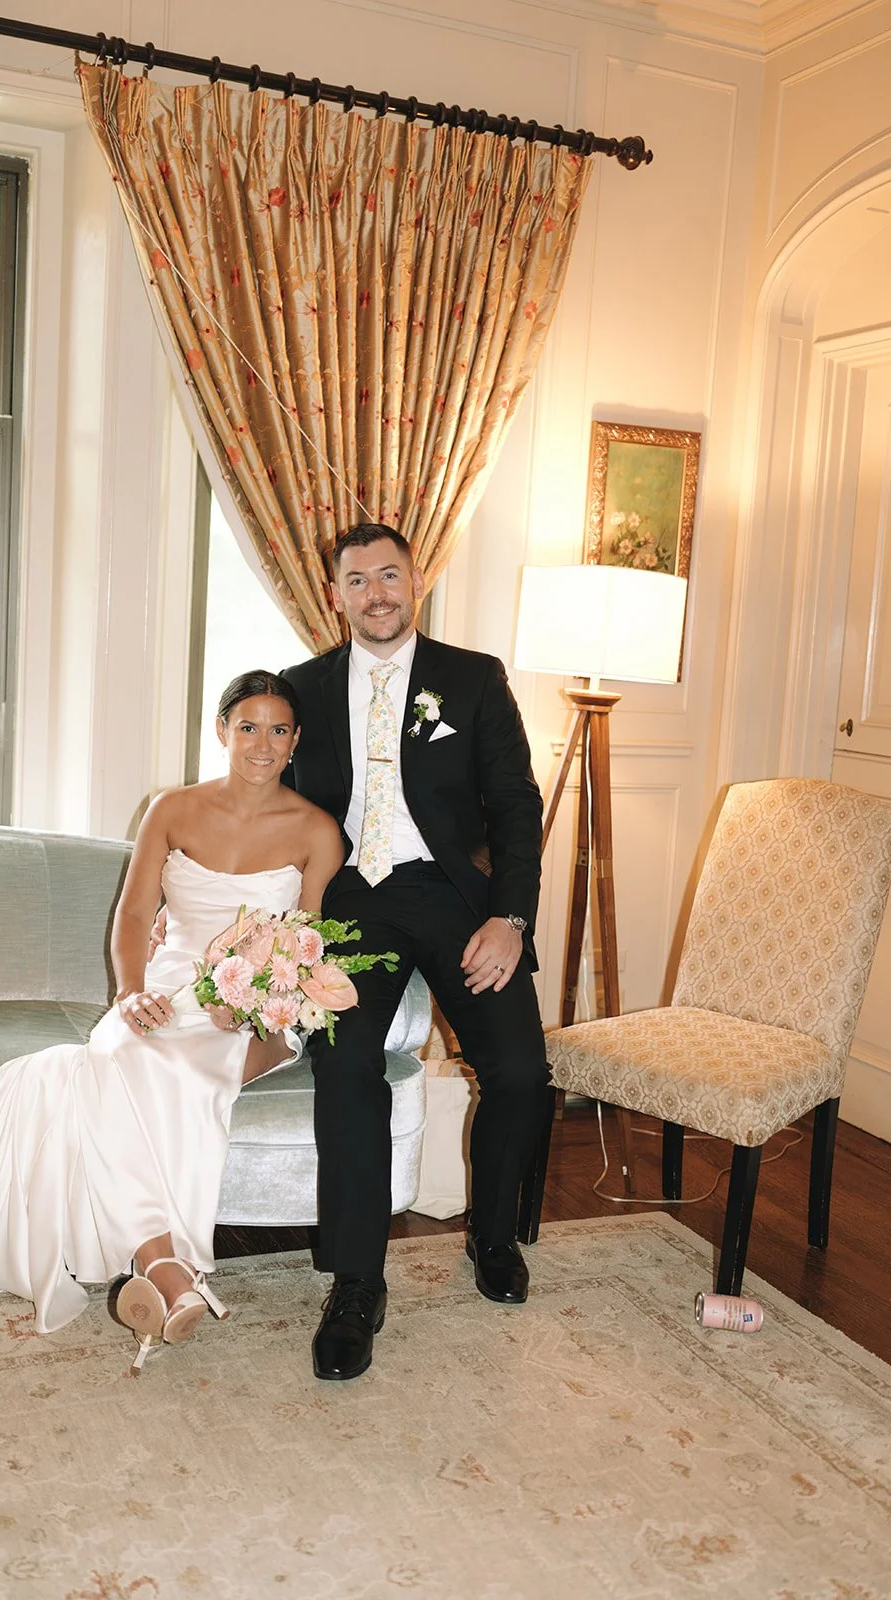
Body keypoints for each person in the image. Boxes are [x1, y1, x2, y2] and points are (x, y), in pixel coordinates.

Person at [0, 672, 344, 1367]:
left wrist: (260, 1000)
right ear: (221, 731)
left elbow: (310, 939)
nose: (261, 744)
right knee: (115, 1056)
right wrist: (129, 992)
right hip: (164, 987)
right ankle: (168, 1270)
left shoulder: (315, 829)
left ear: (295, 740)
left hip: (254, 1011)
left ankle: (166, 1271)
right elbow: (133, 913)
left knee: (177, 1066)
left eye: (277, 730)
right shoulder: (172, 808)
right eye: (247, 727)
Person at [281, 523, 551, 1382]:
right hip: (354, 902)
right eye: (356, 580)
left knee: (518, 1071)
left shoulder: (472, 679)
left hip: (455, 895)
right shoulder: (301, 689)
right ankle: (357, 1283)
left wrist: (510, 917)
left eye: (389, 574)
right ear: (335, 596)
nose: (376, 593)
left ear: (417, 578)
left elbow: (514, 804)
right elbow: (278, 811)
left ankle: (493, 1234)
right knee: (346, 1061)